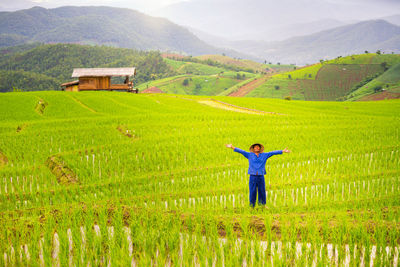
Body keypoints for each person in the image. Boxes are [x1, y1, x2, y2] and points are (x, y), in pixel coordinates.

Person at [225, 143, 290, 207]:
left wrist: (282, 151)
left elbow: (272, 153)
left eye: (258, 147)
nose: (257, 148)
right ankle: (252, 205)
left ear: (260, 148)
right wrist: (232, 147)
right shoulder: (249, 155)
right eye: (255, 147)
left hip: (261, 175)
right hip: (252, 176)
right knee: (252, 191)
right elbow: (242, 151)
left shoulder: (264, 155)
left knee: (262, 190)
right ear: (253, 148)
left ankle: (262, 205)